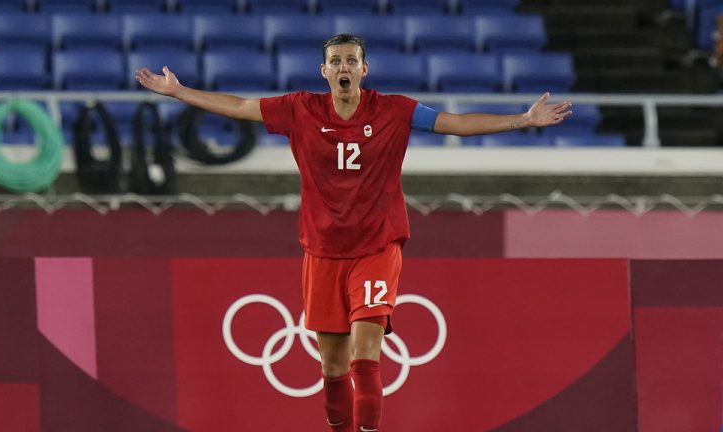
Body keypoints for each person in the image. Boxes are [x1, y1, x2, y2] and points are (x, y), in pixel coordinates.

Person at [136, 34, 572, 432]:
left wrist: (523, 119)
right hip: (323, 252)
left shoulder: (394, 111)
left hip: (376, 246)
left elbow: (454, 122)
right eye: (335, 61)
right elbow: (239, 107)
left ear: (365, 70)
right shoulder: (299, 109)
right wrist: (179, 92)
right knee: (332, 367)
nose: (343, 67)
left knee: (367, 355)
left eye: (351, 60)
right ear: (324, 71)